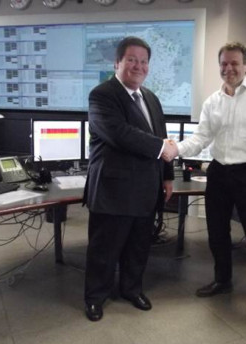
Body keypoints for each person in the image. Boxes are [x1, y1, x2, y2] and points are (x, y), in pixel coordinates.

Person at [163, 41, 246, 320]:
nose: (228, 69)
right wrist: (175, 150)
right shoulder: (212, 102)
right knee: (217, 233)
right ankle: (223, 280)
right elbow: (201, 139)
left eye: (234, 63)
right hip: (218, 172)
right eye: (224, 64)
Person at [82, 36, 175, 322]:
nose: (138, 66)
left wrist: (168, 176)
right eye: (132, 60)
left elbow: (162, 134)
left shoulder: (151, 97)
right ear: (117, 63)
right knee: (104, 249)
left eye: (144, 61)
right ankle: (95, 297)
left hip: (147, 188)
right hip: (114, 189)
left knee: (138, 246)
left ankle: (131, 289)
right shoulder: (102, 95)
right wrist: (162, 148)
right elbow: (120, 133)